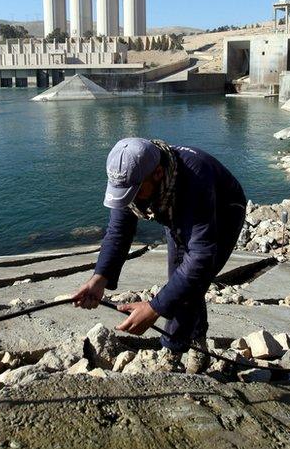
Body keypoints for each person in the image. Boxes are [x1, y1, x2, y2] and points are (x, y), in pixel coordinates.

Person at [72, 137, 247, 373]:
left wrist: (154, 308)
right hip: (174, 207)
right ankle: (196, 341)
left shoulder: (194, 179)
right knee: (181, 282)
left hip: (223, 209)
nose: (130, 199)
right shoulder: (134, 178)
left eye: (135, 191)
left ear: (157, 173)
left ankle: (173, 351)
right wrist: (98, 278)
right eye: (124, 193)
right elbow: (118, 232)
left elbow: (200, 259)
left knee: (189, 278)